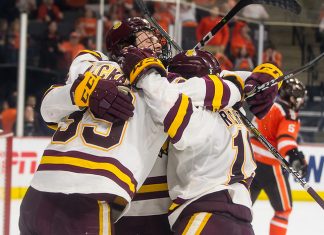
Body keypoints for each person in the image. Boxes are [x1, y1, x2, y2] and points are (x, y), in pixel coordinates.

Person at [19, 17, 244, 234]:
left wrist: (80, 91)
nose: (157, 42)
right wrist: (239, 82)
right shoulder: (160, 84)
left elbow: (48, 106)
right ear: (124, 45)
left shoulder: (90, 68)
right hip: (96, 201)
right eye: (147, 37)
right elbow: (214, 90)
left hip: (38, 194)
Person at [165, 50, 283, 234]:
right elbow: (243, 79)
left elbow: (166, 92)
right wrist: (270, 73)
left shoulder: (191, 111)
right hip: (242, 215)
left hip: (205, 214)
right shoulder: (235, 108)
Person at [250, 77, 308, 235]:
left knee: (241, 209)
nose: (301, 101)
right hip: (270, 167)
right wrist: (296, 156)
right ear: (291, 97)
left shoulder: (267, 105)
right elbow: (285, 141)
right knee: (283, 211)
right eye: (299, 97)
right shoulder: (289, 113)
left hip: (249, 162)